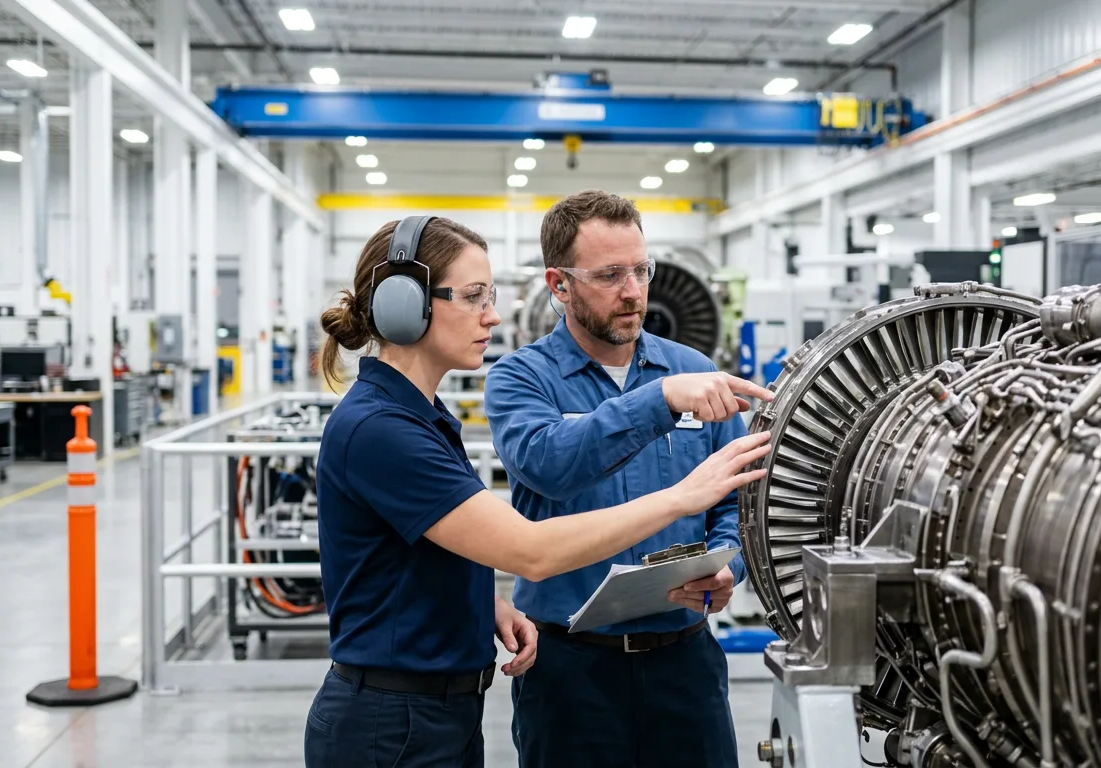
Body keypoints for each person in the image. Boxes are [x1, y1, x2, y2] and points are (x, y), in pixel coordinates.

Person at [304, 214, 773, 768]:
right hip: (407, 717)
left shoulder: (423, 416)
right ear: (407, 305)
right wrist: (680, 486)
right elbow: (531, 546)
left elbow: (422, 550)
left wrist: (482, 603)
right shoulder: (386, 427)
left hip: (462, 703)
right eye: (474, 296)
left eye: (639, 271)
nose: (493, 315)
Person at [484, 191, 774, 768]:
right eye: (610, 274)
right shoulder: (521, 378)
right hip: (570, 672)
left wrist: (727, 565)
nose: (634, 291)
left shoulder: (692, 369)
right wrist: (657, 401)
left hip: (684, 665)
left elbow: (740, 501)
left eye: (641, 270)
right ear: (559, 284)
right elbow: (552, 465)